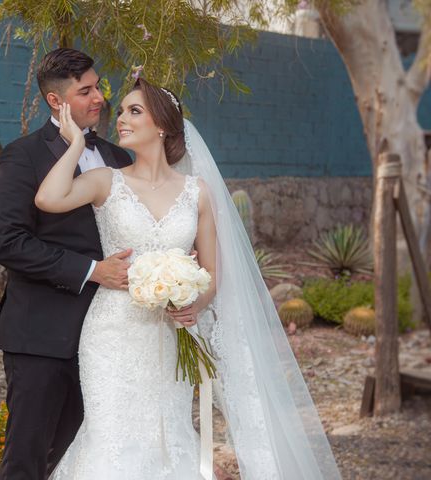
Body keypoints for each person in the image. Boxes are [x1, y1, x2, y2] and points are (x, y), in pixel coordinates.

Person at [35, 78, 342, 479]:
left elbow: (212, 275)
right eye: (123, 110)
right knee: (112, 439)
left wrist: (194, 303)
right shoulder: (105, 181)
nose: (121, 119)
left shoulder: (197, 192)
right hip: (112, 335)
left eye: (134, 111)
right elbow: (48, 199)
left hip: (172, 335)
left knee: (170, 435)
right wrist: (75, 142)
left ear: (161, 125)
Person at [0, 48, 132, 480]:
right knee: (28, 459)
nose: (99, 97)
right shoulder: (22, 157)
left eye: (98, 86)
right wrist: (92, 270)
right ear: (56, 101)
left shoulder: (119, 157)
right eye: (85, 91)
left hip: (108, 335)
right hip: (40, 337)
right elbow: (10, 243)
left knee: (86, 455)